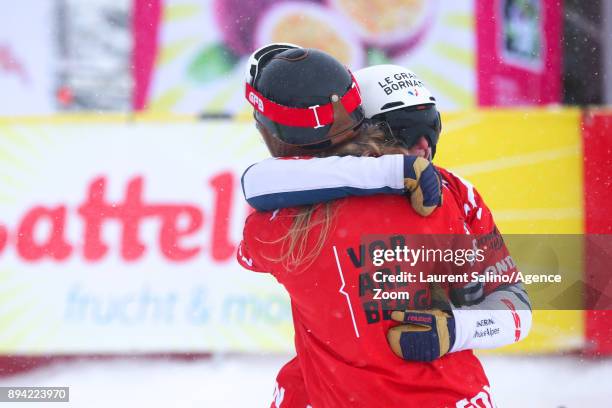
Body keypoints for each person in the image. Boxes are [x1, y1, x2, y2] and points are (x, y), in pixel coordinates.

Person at [240, 59, 532, 408]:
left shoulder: (283, 222)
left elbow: (257, 188)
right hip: (451, 395)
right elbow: (516, 313)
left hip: (332, 391)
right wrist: (457, 331)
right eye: (404, 131)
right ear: (360, 131)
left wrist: (456, 328)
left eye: (432, 127)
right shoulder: (451, 197)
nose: (424, 144)